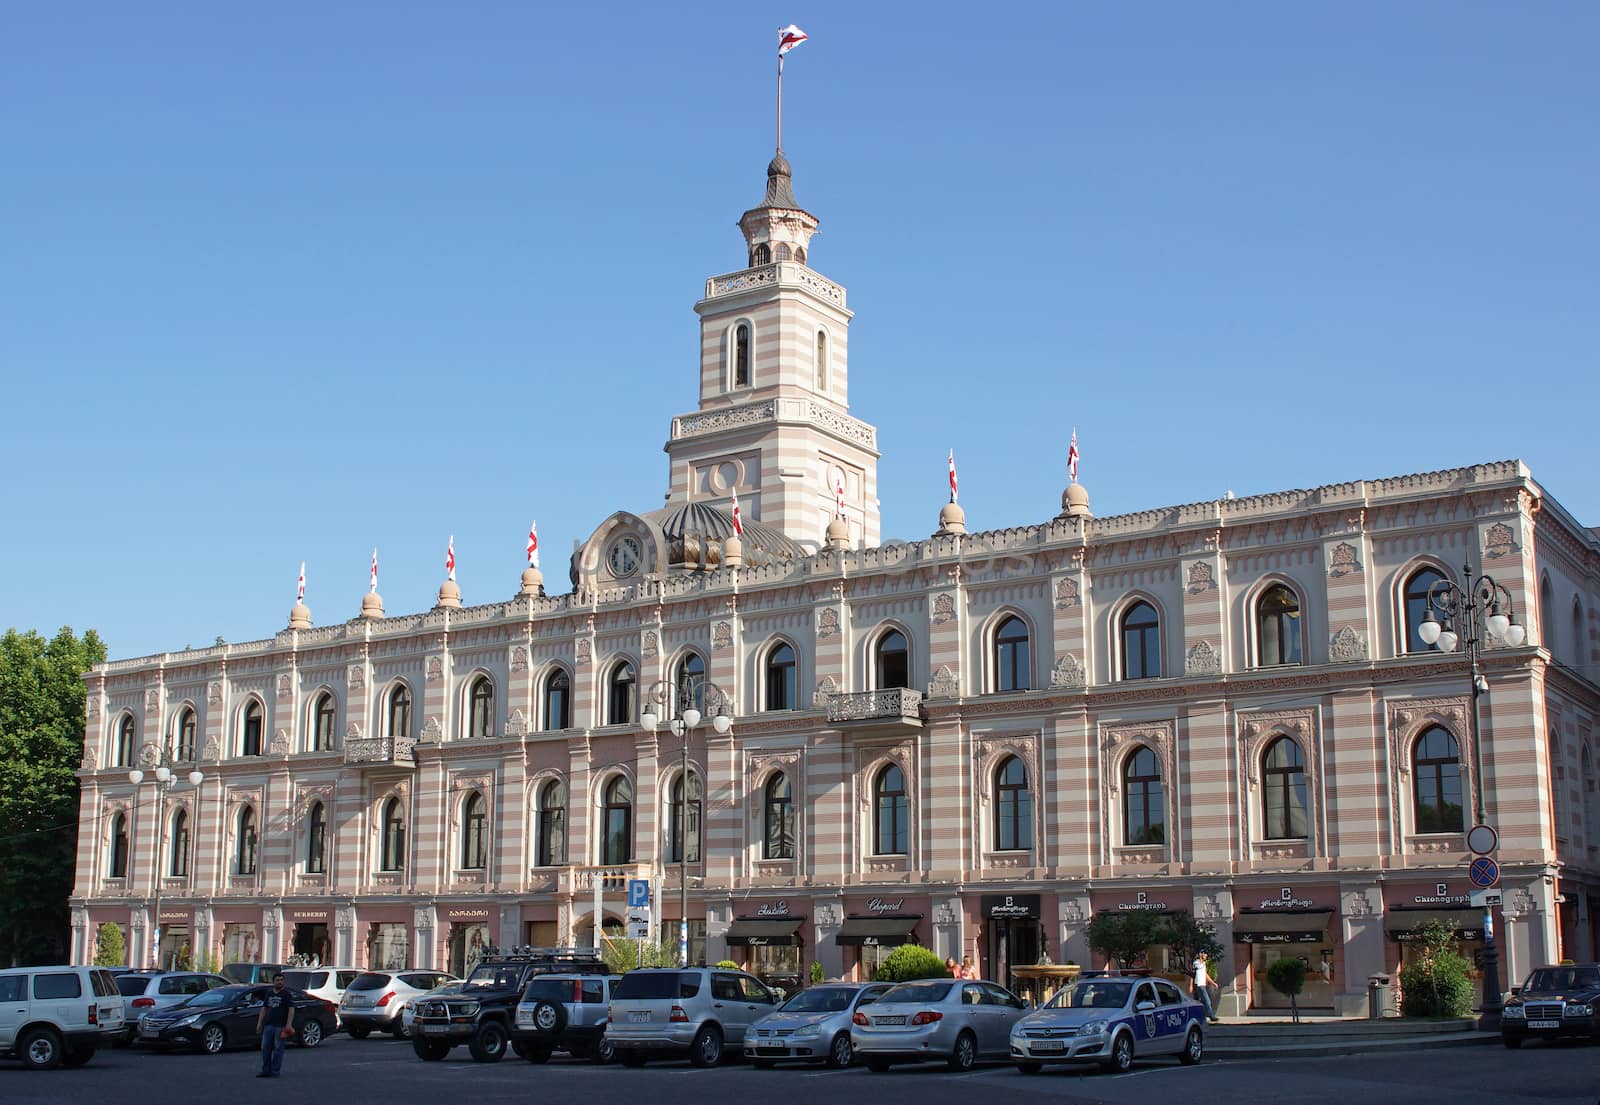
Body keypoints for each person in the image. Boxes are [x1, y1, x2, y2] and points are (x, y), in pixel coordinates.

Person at [255, 973, 295, 1078]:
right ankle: (265, 1070)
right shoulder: (269, 993)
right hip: (268, 1025)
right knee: (265, 1048)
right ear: (273, 982)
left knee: (278, 1049)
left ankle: (275, 1071)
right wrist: (259, 1023)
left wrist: (289, 1024)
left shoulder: (286, 994)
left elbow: (291, 1009)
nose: (280, 982)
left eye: (281, 980)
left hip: (280, 1026)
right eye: (277, 980)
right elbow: (264, 1009)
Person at [1192, 952, 1219, 1023]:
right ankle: (1211, 1016)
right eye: (1205, 954)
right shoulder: (1196, 963)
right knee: (1207, 1001)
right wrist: (1191, 986)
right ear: (1201, 954)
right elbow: (1193, 974)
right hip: (1198, 985)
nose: (1206, 956)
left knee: (1202, 1002)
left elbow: (1205, 975)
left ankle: (1200, 1016)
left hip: (1202, 985)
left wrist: (1213, 983)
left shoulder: (1203, 964)